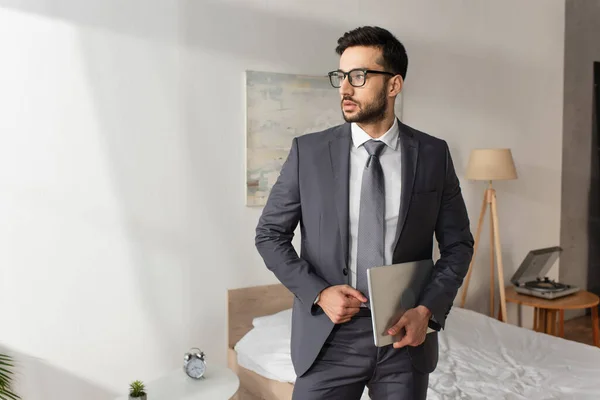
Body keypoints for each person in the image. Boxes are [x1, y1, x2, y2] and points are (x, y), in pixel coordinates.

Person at [255, 26, 474, 400]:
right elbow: (269, 235)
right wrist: (319, 292)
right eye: (341, 77)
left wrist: (427, 310)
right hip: (328, 338)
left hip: (404, 337)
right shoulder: (308, 153)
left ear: (393, 85)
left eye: (358, 76)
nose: (344, 88)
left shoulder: (433, 154)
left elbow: (458, 245)